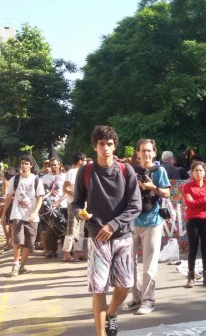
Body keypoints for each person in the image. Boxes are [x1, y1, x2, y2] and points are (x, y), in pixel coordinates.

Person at [72, 125, 141, 336]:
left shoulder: (125, 170)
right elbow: (76, 203)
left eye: (109, 144)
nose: (105, 148)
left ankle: (111, 313)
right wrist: (79, 213)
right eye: (101, 144)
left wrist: (114, 224)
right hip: (97, 237)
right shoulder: (85, 171)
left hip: (123, 237)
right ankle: (101, 333)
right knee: (99, 288)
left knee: (126, 285)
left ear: (114, 146)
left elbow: (135, 205)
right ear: (95, 147)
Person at [122, 138, 170, 315]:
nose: (146, 154)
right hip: (132, 223)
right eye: (143, 150)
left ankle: (148, 301)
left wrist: (152, 186)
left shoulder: (160, 170)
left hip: (153, 222)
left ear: (154, 153)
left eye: (149, 150)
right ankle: (137, 297)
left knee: (149, 265)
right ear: (138, 153)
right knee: (129, 264)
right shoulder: (131, 171)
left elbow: (167, 193)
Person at [1, 154, 45, 276]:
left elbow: (40, 198)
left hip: (32, 216)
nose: (24, 166)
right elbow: (9, 198)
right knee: (18, 240)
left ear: (31, 165)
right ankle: (15, 264)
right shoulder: (14, 180)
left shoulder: (36, 180)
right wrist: (4, 214)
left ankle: (22, 266)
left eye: (26, 163)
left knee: (29, 242)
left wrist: (35, 212)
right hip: (18, 214)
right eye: (22, 163)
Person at [182, 161, 206, 288]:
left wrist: (198, 201)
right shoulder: (187, 186)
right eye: (196, 170)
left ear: (204, 172)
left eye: (201, 170)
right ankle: (190, 277)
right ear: (192, 172)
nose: (199, 173)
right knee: (193, 248)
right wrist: (203, 200)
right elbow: (189, 203)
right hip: (193, 220)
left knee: (205, 249)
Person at [62, 152, 87, 262]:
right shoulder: (71, 172)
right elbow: (66, 188)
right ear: (80, 161)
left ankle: (79, 251)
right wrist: (78, 195)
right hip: (73, 204)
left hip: (83, 205)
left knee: (81, 230)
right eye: (85, 160)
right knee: (72, 229)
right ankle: (66, 254)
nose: (86, 162)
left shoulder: (85, 172)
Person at [41, 157, 67, 258]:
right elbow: (42, 192)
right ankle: (52, 250)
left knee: (64, 228)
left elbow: (66, 191)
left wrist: (59, 201)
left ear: (59, 165)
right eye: (51, 165)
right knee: (50, 229)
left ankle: (67, 251)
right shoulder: (45, 178)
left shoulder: (65, 176)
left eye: (55, 165)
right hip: (50, 208)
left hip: (63, 206)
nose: (53, 167)